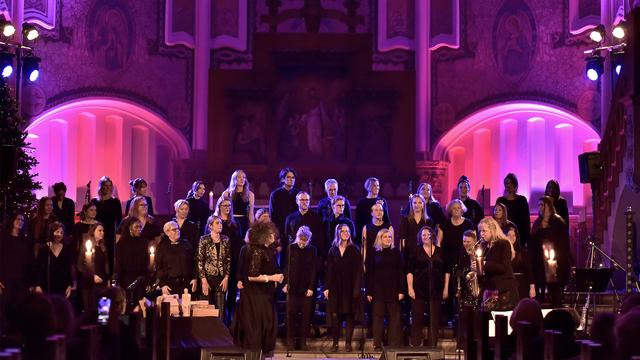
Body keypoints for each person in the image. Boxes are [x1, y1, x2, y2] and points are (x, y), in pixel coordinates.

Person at [232, 221, 283, 356]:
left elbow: (272, 268)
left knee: (267, 326)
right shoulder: (256, 251)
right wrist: (272, 278)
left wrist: (278, 276)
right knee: (257, 328)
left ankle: (260, 354)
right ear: (264, 236)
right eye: (271, 234)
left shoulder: (269, 250)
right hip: (255, 296)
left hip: (265, 294)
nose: (274, 236)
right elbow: (251, 276)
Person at [324, 224, 363, 352]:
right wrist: (327, 287)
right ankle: (335, 343)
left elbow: (358, 271)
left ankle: (347, 343)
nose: (346, 233)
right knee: (336, 316)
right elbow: (328, 271)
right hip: (335, 287)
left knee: (349, 315)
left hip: (350, 287)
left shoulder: (354, 249)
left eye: (348, 231)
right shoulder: (332, 250)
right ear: (338, 233)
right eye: (343, 231)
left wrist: (357, 288)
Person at [366, 228, 404, 351]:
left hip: (393, 291)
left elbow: (401, 272)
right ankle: (377, 344)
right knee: (378, 319)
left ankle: (393, 344)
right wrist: (369, 291)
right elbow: (369, 274)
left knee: (394, 319)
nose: (388, 239)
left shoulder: (396, 253)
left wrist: (401, 290)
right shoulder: (374, 253)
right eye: (385, 237)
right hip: (378, 291)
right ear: (380, 239)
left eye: (389, 237)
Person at [407, 225, 444, 347]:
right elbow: (410, 271)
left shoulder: (439, 251)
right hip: (419, 288)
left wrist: (445, 288)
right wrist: (410, 288)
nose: (426, 237)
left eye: (428, 234)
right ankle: (416, 344)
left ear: (432, 236)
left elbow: (446, 271)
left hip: (436, 289)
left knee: (434, 318)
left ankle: (433, 345)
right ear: (420, 237)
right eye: (423, 235)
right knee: (417, 317)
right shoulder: (416, 251)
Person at [530, 196, 571, 307]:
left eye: (542, 204)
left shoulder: (557, 221)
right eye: (538, 205)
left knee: (555, 291)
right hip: (539, 262)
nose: (540, 207)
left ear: (549, 205)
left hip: (554, 262)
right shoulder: (537, 223)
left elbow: (563, 244)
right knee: (540, 294)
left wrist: (558, 260)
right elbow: (533, 242)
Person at [282, 226, 317, 351]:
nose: (302, 243)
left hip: (306, 288)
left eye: (305, 240)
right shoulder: (291, 248)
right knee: (291, 315)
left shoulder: (312, 250)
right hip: (292, 287)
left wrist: (311, 287)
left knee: (305, 316)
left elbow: (313, 270)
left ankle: (302, 341)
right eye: (300, 240)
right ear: (297, 238)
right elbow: (286, 267)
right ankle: (290, 341)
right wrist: (285, 283)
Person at [439, 199, 475, 319]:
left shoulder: (468, 223)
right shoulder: (445, 223)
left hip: (464, 259)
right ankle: (449, 317)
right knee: (449, 288)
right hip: (448, 259)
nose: (456, 210)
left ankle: (464, 317)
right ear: (450, 210)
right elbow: (439, 243)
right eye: (454, 208)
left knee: (464, 288)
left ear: (462, 209)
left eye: (458, 208)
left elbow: (474, 242)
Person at [476, 217, 519, 310]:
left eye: (484, 231)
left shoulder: (503, 244)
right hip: (490, 290)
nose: (481, 234)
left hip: (504, 290)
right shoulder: (484, 246)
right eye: (480, 231)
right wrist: (478, 268)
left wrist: (485, 264)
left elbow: (504, 267)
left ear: (492, 230)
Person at [0, 212, 32, 333]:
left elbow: (29, 262)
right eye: (18, 219)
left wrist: (30, 283)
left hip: (21, 281)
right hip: (5, 281)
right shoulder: (3, 238)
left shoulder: (24, 240)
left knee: (19, 310)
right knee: (4, 310)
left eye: (22, 220)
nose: (20, 221)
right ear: (12, 220)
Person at [214, 196, 243, 318]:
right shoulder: (215, 222)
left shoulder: (235, 223)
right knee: (219, 292)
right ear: (219, 206)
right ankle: (219, 318)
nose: (228, 208)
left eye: (229, 205)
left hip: (233, 260)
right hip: (218, 262)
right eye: (225, 205)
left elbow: (240, 242)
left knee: (231, 291)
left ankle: (229, 318)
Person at [197, 216, 231, 321]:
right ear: (210, 226)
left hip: (221, 278)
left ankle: (221, 334)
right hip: (207, 277)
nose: (220, 225)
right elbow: (200, 261)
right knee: (208, 308)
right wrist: (203, 281)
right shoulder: (204, 239)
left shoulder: (225, 239)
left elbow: (228, 260)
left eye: (220, 223)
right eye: (217, 223)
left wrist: (226, 277)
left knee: (221, 309)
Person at [34, 222, 74, 297]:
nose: (59, 235)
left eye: (62, 232)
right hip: (47, 286)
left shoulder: (66, 249)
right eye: (57, 232)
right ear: (52, 232)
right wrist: (37, 285)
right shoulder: (44, 248)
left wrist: (69, 285)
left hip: (62, 286)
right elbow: (38, 268)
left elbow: (68, 268)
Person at [76, 222, 109, 315]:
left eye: (103, 231)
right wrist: (92, 276)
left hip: (102, 283)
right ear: (93, 232)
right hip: (89, 283)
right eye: (99, 230)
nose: (102, 232)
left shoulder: (103, 247)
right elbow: (80, 265)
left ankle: (103, 329)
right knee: (91, 313)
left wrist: (108, 280)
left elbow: (106, 266)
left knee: (104, 313)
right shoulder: (86, 246)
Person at [156, 221, 196, 296]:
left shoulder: (187, 244)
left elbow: (193, 263)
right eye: (174, 229)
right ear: (167, 232)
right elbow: (159, 268)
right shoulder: (162, 247)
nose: (177, 231)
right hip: (170, 285)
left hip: (187, 284)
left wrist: (194, 278)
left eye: (178, 229)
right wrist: (162, 285)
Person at [91, 176, 122, 272]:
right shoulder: (94, 202)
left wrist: (118, 234)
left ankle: (109, 278)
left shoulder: (115, 202)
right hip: (97, 232)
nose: (108, 188)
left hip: (110, 232)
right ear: (101, 187)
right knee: (97, 254)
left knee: (110, 254)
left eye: (110, 186)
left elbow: (119, 219)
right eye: (105, 185)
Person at [284, 192, 325, 262]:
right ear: (297, 201)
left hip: (311, 253)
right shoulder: (290, 218)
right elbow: (287, 236)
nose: (305, 202)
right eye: (302, 200)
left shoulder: (316, 217)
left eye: (307, 200)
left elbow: (320, 236)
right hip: (295, 254)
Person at [114, 219, 149, 302]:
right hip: (126, 278)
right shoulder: (122, 244)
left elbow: (148, 262)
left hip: (141, 278)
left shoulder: (145, 242)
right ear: (130, 228)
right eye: (136, 227)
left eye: (140, 227)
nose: (139, 229)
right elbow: (119, 263)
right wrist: (118, 280)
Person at [496, 173, 531, 249]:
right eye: (507, 183)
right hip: (503, 234)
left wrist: (527, 239)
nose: (509, 185)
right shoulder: (500, 200)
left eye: (511, 183)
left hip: (519, 235)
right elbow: (496, 218)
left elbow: (526, 220)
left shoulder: (522, 200)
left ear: (515, 185)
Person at [269, 168, 300, 246]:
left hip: (296, 229)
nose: (291, 179)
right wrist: (276, 233)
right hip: (281, 230)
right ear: (283, 179)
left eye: (293, 177)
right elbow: (273, 215)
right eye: (288, 177)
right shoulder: (275, 194)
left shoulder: (299, 194)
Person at [355, 177, 391, 244]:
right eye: (374, 185)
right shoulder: (361, 202)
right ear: (368, 187)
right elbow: (358, 221)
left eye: (378, 185)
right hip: (366, 233)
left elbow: (386, 219)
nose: (377, 187)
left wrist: (381, 207)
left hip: (380, 233)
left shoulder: (382, 201)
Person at [221, 170, 255, 238]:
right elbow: (222, 211)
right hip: (230, 221)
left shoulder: (250, 194)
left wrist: (252, 228)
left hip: (244, 223)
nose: (242, 179)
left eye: (244, 177)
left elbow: (251, 213)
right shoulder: (227, 193)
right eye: (239, 177)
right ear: (234, 179)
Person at [505, 224, 535, 300]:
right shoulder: (502, 252)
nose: (511, 237)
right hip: (507, 285)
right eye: (509, 235)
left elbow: (529, 271)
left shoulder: (523, 253)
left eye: (514, 235)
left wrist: (532, 288)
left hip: (522, 285)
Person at [399, 194, 434, 258]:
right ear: (411, 205)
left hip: (424, 254)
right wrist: (402, 255)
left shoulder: (429, 221)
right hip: (408, 254)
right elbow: (402, 239)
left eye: (419, 203)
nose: (417, 205)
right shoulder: (405, 220)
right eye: (414, 203)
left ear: (423, 205)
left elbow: (431, 240)